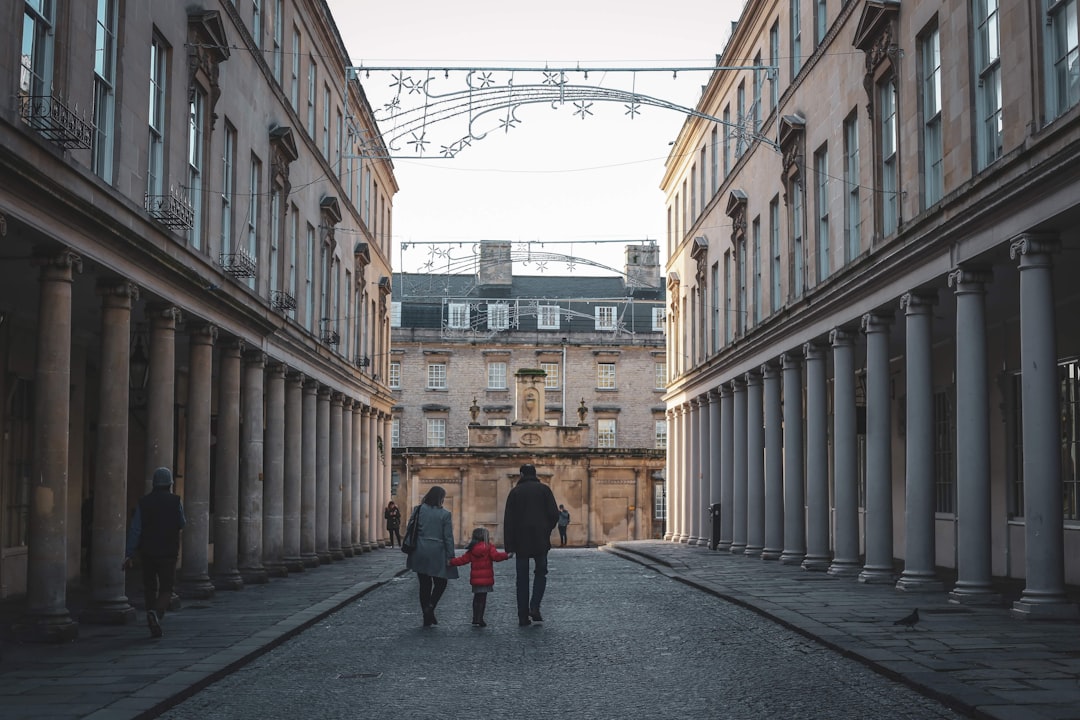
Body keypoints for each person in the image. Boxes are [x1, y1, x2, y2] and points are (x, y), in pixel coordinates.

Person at [123, 467, 186, 638]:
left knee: (149, 587)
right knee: (166, 588)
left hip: (148, 551)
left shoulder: (144, 502)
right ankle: (156, 614)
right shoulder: (175, 501)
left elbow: (136, 529)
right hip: (168, 551)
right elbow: (182, 522)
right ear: (169, 484)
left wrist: (128, 553)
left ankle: (151, 616)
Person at [502, 463, 559, 626]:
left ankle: (522, 615)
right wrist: (546, 529)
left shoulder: (515, 492)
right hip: (540, 541)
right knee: (541, 573)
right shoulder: (545, 490)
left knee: (522, 579)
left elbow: (508, 521)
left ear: (521, 475)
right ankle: (534, 606)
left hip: (520, 543)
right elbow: (554, 514)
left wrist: (509, 547)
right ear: (535, 474)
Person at [404, 485, 459, 627]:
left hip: (419, 550)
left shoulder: (418, 509)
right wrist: (450, 556)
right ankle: (431, 607)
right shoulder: (445, 514)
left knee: (424, 584)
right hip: (437, 551)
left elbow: (410, 528)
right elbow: (448, 537)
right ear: (441, 498)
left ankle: (426, 615)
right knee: (441, 582)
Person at [450, 527, 511, 627]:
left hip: (476, 579)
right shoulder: (489, 547)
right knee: (483, 598)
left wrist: (451, 562)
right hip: (486, 579)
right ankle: (480, 618)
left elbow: (462, 560)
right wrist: (507, 555)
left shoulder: (472, 549)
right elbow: (496, 557)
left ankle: (475, 618)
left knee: (476, 598)